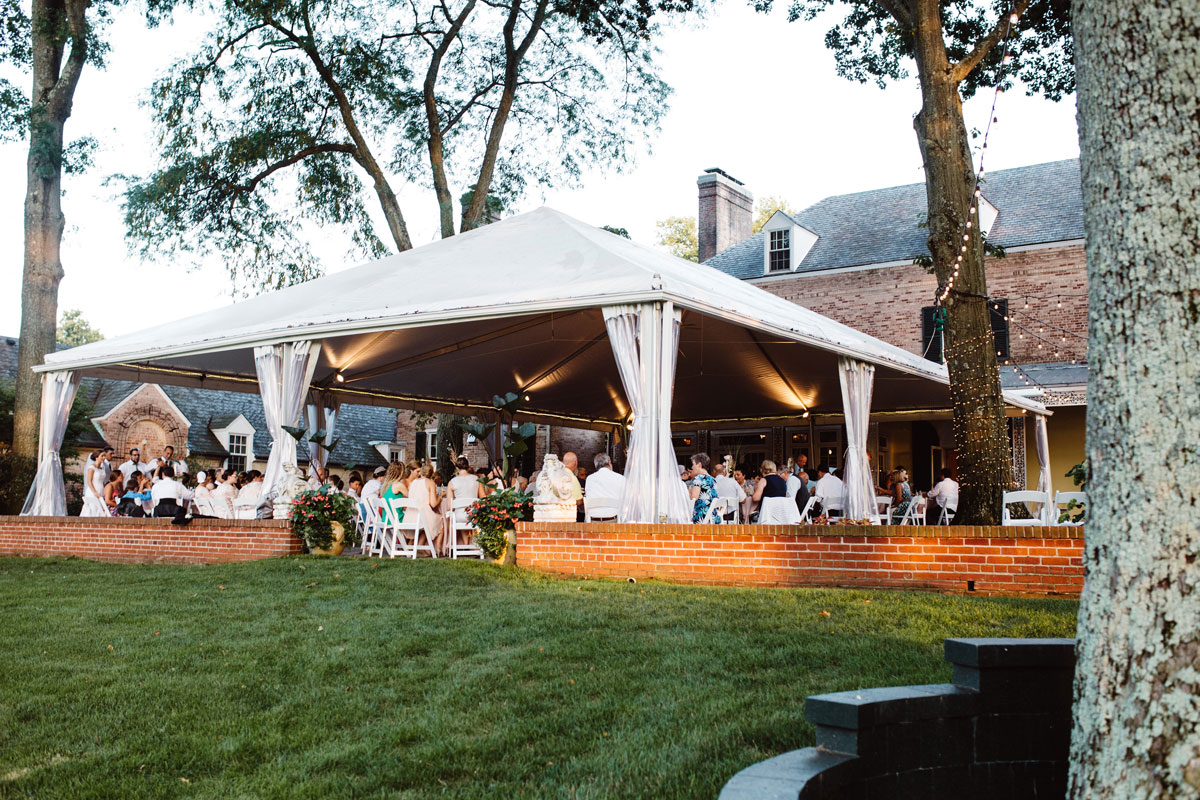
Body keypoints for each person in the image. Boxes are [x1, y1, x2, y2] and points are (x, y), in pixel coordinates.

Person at [406, 462, 447, 553]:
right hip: (422, 514)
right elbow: (433, 504)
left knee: (426, 526)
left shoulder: (413, 482)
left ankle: (419, 547)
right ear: (432, 473)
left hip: (410, 515)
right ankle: (439, 549)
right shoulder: (430, 482)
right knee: (441, 522)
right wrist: (441, 496)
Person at [584, 453, 625, 519]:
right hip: (614, 522)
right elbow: (626, 500)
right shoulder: (620, 478)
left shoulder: (589, 479)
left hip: (593, 521)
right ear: (609, 463)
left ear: (596, 466)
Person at [447, 456, 485, 522]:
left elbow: (449, 507)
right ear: (467, 466)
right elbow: (483, 498)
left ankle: (464, 533)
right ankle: (473, 532)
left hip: (459, 516)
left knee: (457, 515)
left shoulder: (452, 482)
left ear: (456, 468)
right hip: (474, 514)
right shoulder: (477, 479)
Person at [687, 452, 720, 524]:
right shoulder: (713, 479)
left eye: (693, 464)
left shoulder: (699, 478)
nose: (692, 467)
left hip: (701, 518)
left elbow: (693, 498)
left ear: (699, 465)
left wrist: (685, 490)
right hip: (713, 518)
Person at [81, 449, 112, 517]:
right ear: (96, 457)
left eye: (104, 456)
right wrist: (95, 492)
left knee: (100, 510)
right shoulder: (91, 468)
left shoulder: (102, 468)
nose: (104, 458)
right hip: (93, 491)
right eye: (102, 456)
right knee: (93, 509)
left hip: (101, 490)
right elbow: (89, 481)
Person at [561, 452, 586, 520]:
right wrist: (585, 499)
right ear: (576, 463)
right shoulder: (572, 478)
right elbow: (578, 501)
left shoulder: (556, 475)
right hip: (567, 516)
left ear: (563, 462)